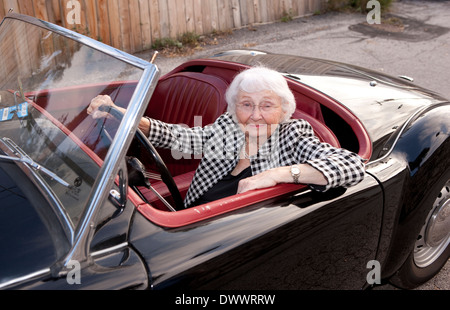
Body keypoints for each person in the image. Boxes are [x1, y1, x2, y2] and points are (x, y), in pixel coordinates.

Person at [88, 66, 365, 208]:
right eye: (246, 104)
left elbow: (352, 165)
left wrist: (277, 174)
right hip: (191, 218)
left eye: (267, 105)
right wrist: (127, 117)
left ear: (284, 111)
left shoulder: (292, 134)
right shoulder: (229, 127)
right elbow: (183, 138)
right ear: (234, 109)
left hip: (238, 238)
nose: (255, 115)